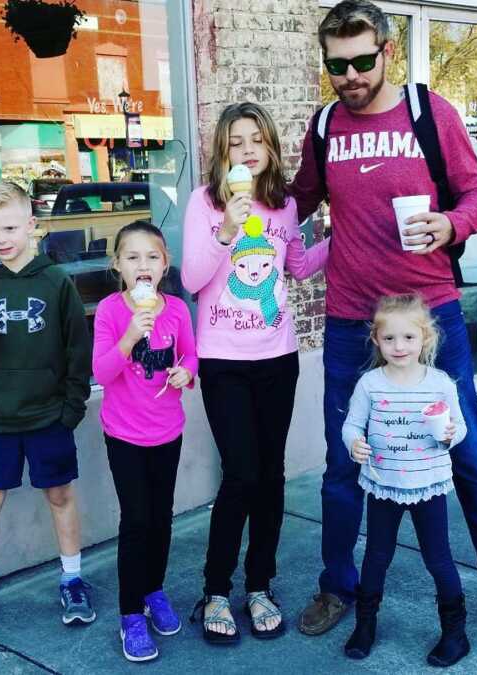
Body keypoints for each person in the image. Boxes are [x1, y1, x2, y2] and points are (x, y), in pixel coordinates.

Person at [290, 0, 477, 647]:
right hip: (352, 324)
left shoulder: (430, 114)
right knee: (344, 463)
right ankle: (335, 585)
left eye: (361, 60)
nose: (349, 75)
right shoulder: (324, 127)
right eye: (336, 64)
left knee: (469, 457)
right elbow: (297, 201)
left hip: (431, 318)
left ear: (387, 52)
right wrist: (240, 210)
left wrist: (450, 224)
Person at [181, 102, 329, 644]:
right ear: (223, 153)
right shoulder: (204, 203)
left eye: (256, 140)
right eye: (235, 142)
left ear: (269, 149)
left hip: (277, 356)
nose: (246, 150)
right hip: (223, 360)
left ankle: (259, 585)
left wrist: (349, 235)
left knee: (270, 476)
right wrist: (225, 229)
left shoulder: (285, 207)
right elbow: (193, 279)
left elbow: (299, 267)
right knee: (241, 474)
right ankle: (216, 589)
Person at [0, 181, 93, 634]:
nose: (2, 239)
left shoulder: (56, 283)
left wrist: (71, 411)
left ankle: (72, 579)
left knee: (60, 494)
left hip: (49, 414)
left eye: (10, 227)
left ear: (32, 226)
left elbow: (76, 352)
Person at [342, 294, 470, 667]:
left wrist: (448, 435)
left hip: (428, 484)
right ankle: (365, 626)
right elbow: (352, 424)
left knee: (438, 558)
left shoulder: (440, 384)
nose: (399, 346)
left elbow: (459, 427)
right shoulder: (370, 384)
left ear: (425, 338)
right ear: (376, 340)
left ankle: (455, 633)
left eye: (408, 338)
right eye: (389, 339)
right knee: (376, 557)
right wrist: (354, 444)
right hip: (383, 484)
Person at [92, 220, 198, 662]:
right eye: (132, 257)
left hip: (166, 430)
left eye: (152, 257)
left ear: (165, 264)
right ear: (117, 265)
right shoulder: (110, 311)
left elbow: (190, 353)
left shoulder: (176, 309)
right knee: (136, 521)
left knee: (161, 518)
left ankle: (154, 589)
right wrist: (133, 333)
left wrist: (187, 372)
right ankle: (130, 613)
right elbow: (101, 372)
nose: (143, 265)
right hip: (124, 434)